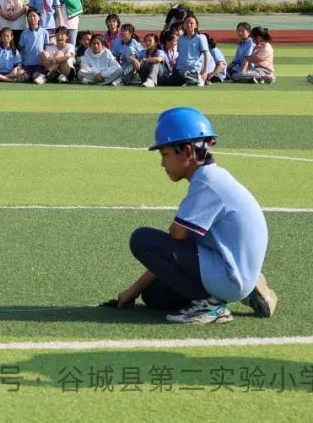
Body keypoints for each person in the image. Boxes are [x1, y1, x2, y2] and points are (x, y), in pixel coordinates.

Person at [112, 107, 277, 324]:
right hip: (230, 266)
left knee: (142, 239)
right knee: (154, 296)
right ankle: (247, 285)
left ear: (188, 152)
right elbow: (173, 254)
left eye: (165, 154)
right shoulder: (211, 177)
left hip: (230, 275)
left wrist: (131, 290)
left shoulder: (207, 183)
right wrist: (133, 291)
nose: (162, 163)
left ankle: (211, 305)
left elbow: (175, 239)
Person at [169, 14, 211, 86]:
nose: (189, 25)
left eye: (191, 23)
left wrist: (205, 72)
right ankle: (189, 81)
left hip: (193, 67)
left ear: (196, 25)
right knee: (169, 80)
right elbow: (180, 55)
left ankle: (198, 79)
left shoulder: (200, 38)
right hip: (180, 67)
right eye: (186, 23)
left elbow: (207, 55)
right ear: (183, 25)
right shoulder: (181, 39)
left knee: (183, 74)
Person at [17, 9, 49, 82]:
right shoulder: (24, 33)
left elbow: (46, 49)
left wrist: (44, 60)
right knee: (25, 78)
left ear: (39, 17)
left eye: (34, 16)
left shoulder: (44, 32)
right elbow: (21, 50)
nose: (32, 18)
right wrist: (20, 64)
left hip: (38, 65)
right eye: (30, 16)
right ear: (27, 18)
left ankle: (43, 76)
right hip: (26, 64)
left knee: (36, 77)